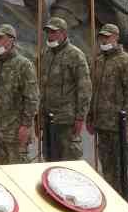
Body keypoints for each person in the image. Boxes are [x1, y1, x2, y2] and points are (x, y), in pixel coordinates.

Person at [89, 23, 128, 198]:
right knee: (108, 168)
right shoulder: (98, 62)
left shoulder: (127, 61)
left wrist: (126, 122)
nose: (104, 40)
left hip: (120, 126)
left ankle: (126, 202)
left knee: (123, 169)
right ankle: (113, 202)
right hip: (103, 126)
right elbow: (93, 92)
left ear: (116, 37)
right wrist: (91, 117)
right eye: (102, 37)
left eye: (108, 36)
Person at [38, 17, 91, 161]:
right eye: (48, 32)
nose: (50, 35)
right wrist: (39, 117)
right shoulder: (45, 54)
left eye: (54, 32)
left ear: (64, 33)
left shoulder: (75, 55)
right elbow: (41, 87)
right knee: (49, 159)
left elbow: (84, 88)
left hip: (67, 120)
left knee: (68, 161)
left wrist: (80, 117)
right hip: (49, 119)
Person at [0, 23, 37, 165]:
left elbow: (31, 98)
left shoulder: (24, 65)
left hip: (15, 134)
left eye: (0, 38)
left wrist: (26, 126)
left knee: (19, 176)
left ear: (11, 40)